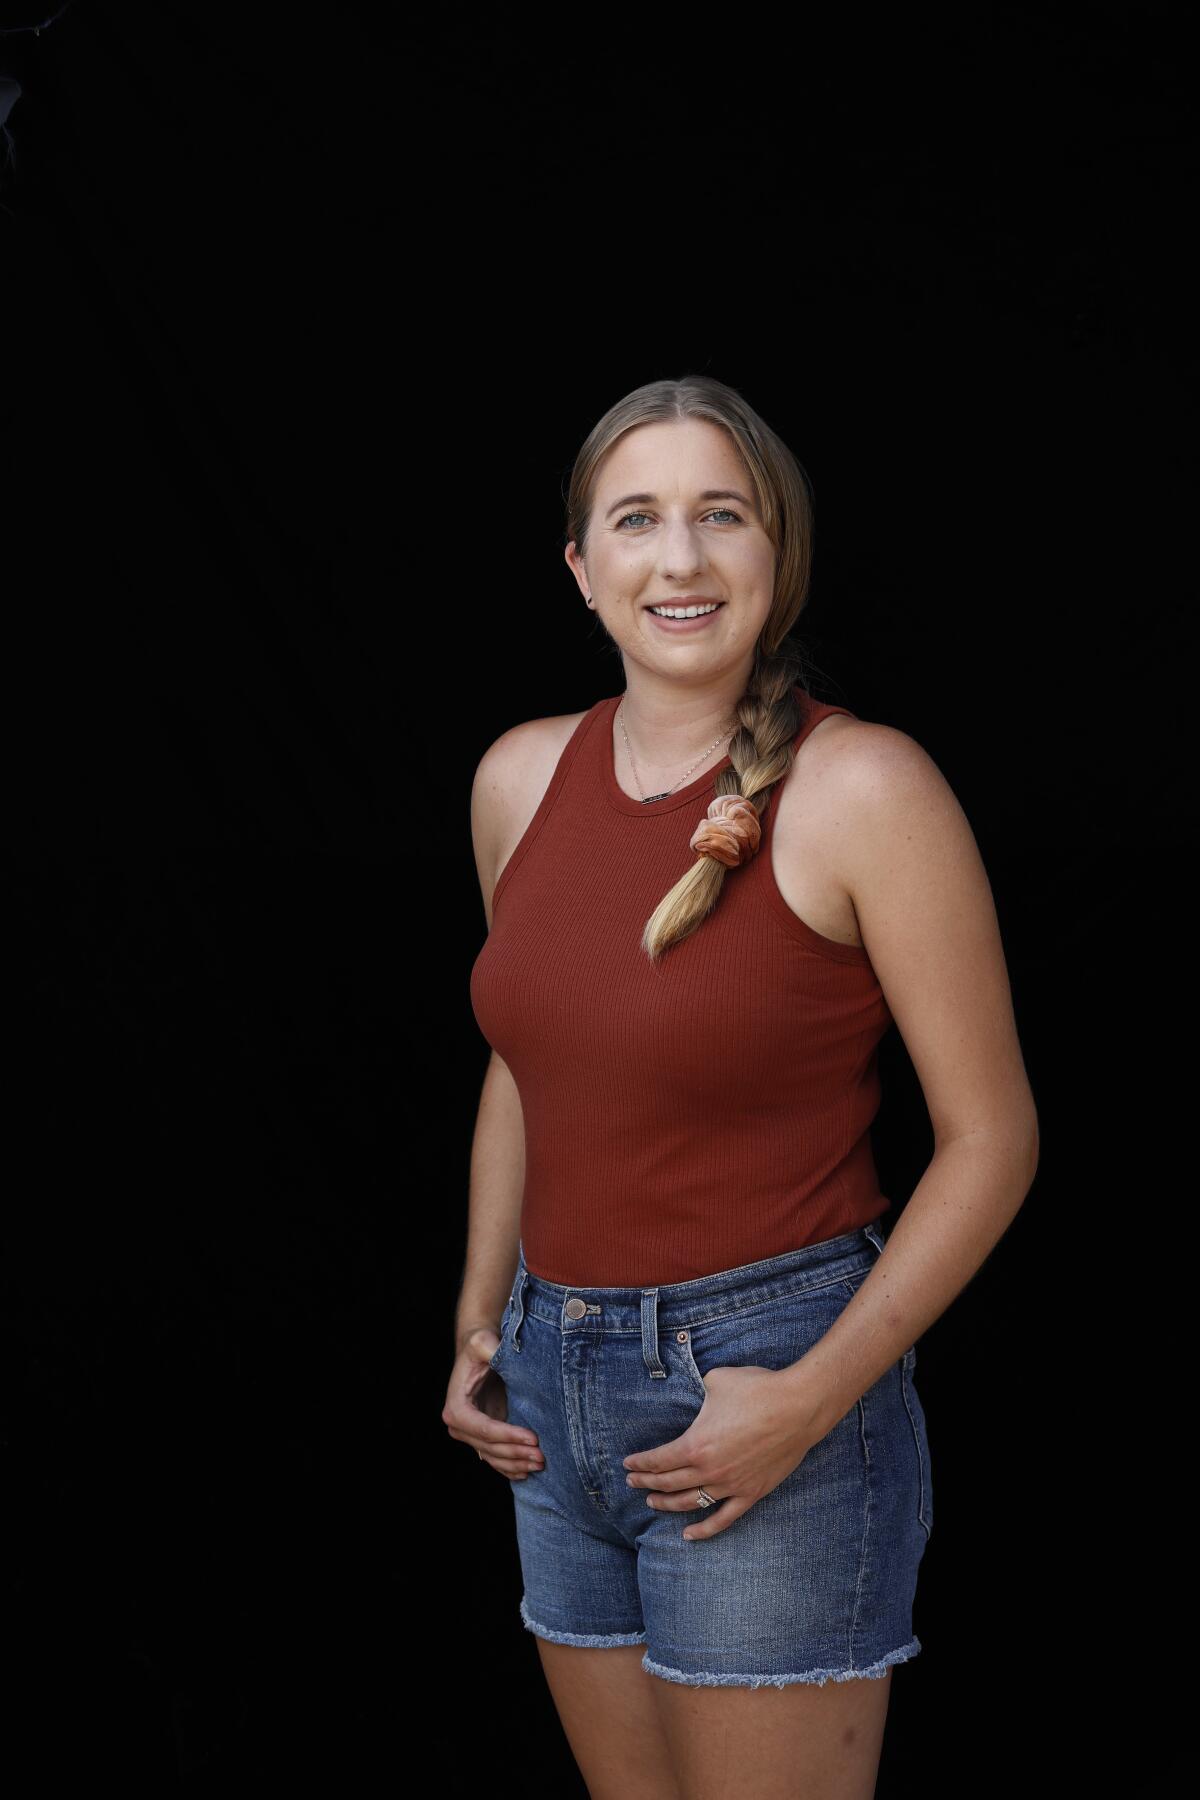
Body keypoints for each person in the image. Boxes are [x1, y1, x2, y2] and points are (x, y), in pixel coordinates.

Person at [443, 375, 1039, 1799]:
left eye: (725, 515)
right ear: (584, 571)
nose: (683, 558)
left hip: (767, 1384)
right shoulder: (519, 779)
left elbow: (993, 1137)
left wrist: (815, 1396)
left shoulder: (867, 791)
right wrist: (477, 1321)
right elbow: (528, 1066)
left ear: (779, 554)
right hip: (551, 1391)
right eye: (638, 519)